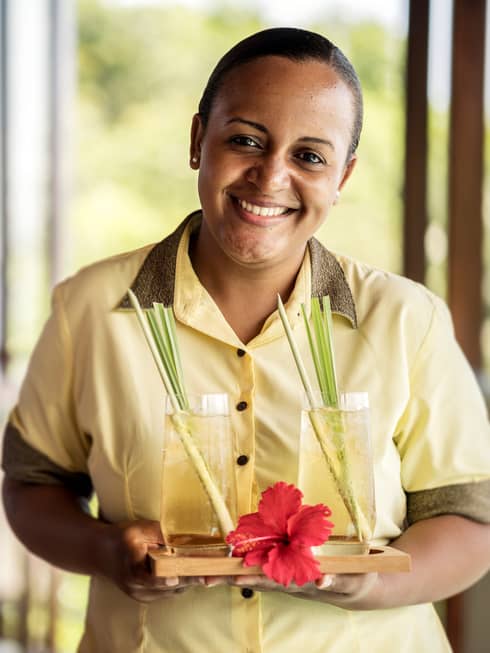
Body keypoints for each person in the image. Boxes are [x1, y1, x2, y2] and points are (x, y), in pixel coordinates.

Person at [2, 27, 490, 653]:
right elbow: (31, 484)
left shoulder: (406, 318)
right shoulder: (89, 309)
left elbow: (472, 519)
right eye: (246, 140)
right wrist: (108, 552)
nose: (270, 176)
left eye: (310, 156)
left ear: (344, 175)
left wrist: (364, 585)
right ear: (197, 141)